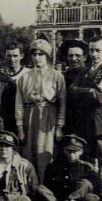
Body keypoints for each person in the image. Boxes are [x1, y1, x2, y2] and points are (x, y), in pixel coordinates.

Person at [15, 39, 67, 184]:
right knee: (28, 154)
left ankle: (45, 189)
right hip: (30, 116)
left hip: (49, 116)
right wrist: (20, 128)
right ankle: (29, 188)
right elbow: (19, 104)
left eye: (41, 54)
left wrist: (59, 127)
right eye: (34, 54)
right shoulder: (24, 77)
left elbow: (62, 103)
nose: (37, 57)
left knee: (45, 154)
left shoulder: (57, 76)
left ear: (47, 56)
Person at [68, 35, 102, 173]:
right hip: (86, 122)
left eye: (98, 50)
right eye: (91, 51)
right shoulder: (85, 70)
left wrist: (82, 91)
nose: (94, 54)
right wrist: (91, 90)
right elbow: (71, 90)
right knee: (88, 164)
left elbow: (100, 96)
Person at [34, 135, 101, 201]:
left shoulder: (87, 168)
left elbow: (96, 190)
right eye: (68, 151)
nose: (71, 155)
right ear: (64, 150)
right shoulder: (54, 166)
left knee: (85, 183)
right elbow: (48, 188)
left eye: (75, 152)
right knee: (41, 188)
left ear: (81, 151)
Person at [59, 39, 89, 138]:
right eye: (70, 56)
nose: (73, 58)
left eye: (78, 55)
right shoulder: (62, 77)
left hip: (86, 122)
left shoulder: (90, 75)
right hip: (67, 123)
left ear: (84, 57)